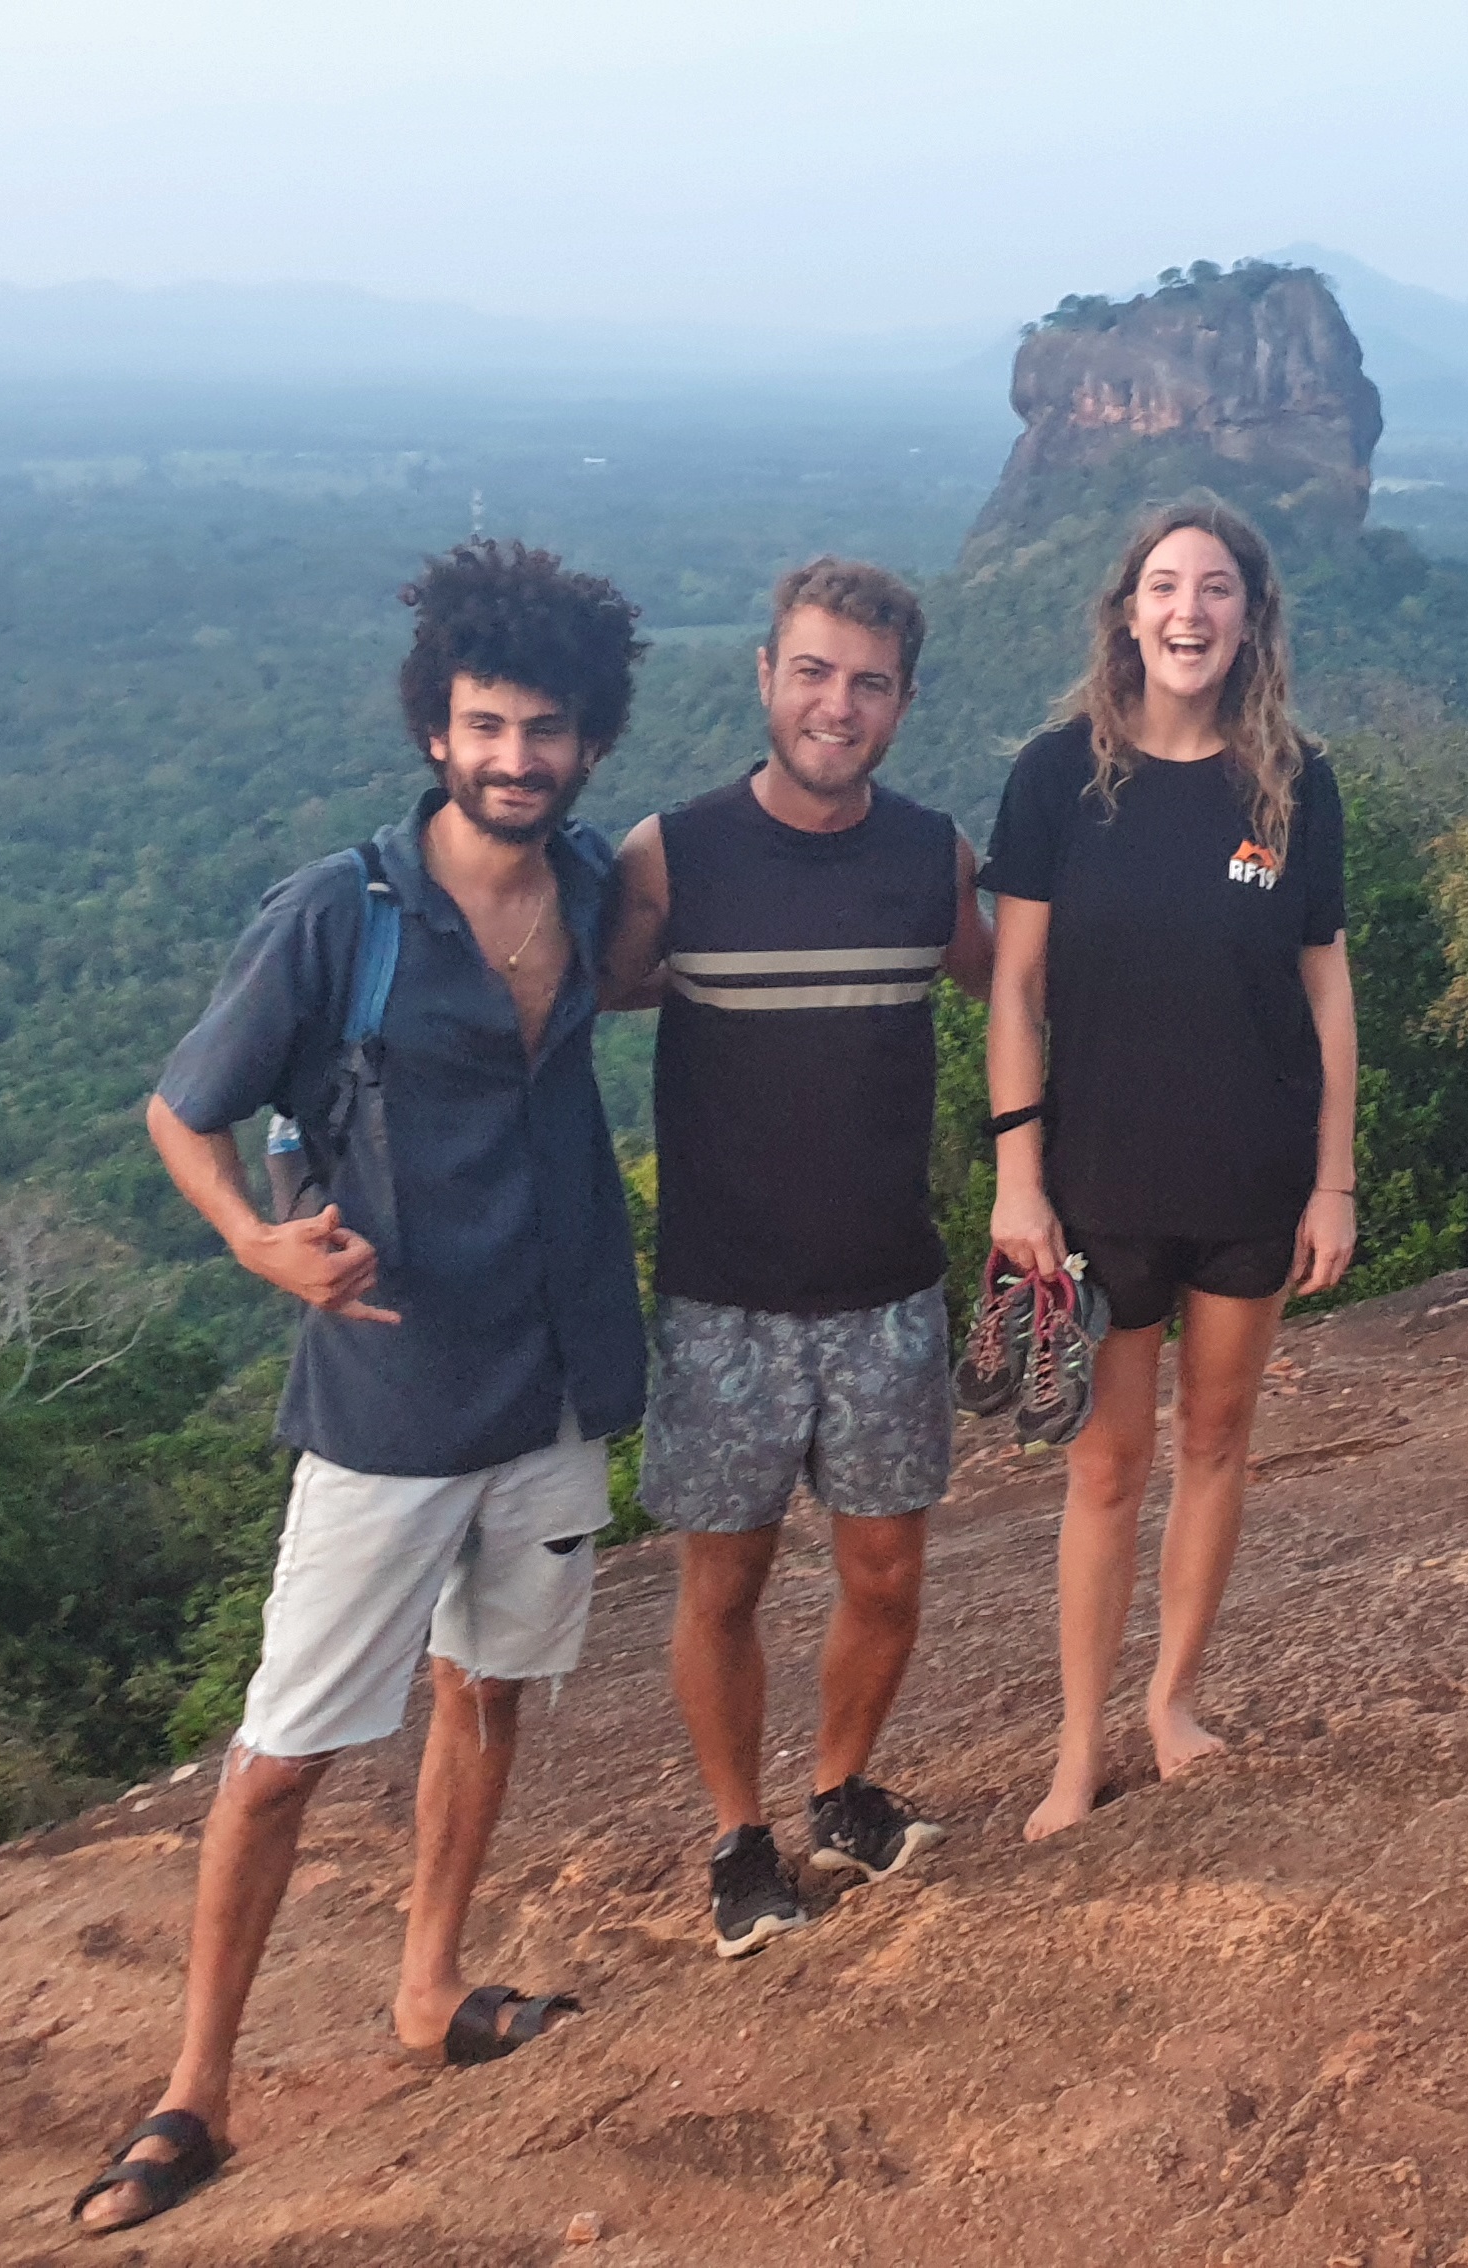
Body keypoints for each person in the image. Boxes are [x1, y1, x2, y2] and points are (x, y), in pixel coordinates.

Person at [71, 541, 649, 2234]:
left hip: (553, 1377)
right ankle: (195, 2084)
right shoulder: (345, 913)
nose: (516, 757)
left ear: (589, 741)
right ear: (434, 727)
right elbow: (184, 1111)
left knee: (492, 1692)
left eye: (546, 729)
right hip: (390, 1396)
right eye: (486, 724)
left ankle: (428, 1985)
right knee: (281, 1751)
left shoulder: (598, 885)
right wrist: (256, 1247)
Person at [601, 557, 993, 1957]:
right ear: (765, 675)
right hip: (722, 1300)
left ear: (902, 702)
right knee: (724, 1586)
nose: (838, 705)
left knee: (886, 1577)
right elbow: (556, 996)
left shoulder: (929, 856)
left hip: (887, 1290)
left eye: (869, 682)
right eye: (814, 672)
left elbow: (1021, 987)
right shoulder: (671, 857)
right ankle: (736, 1839)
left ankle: (840, 1793)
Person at [979, 496, 1358, 1842]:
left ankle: (1174, 1701)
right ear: (1127, 612)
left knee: (1220, 1441)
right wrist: (1017, 1180)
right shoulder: (1055, 778)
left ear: (1250, 616)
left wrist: (1334, 1181)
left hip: (1252, 1176)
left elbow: (1327, 996)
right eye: (1163, 586)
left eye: (1215, 589)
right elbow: (1014, 992)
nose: (1187, 612)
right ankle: (1077, 1746)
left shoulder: (1294, 783)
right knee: (1104, 1465)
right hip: (1099, 1182)